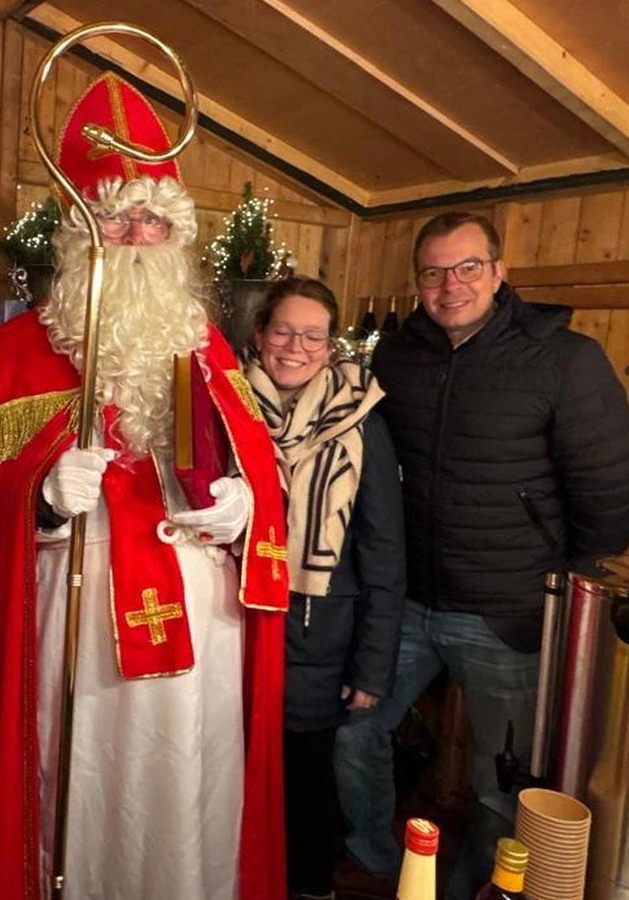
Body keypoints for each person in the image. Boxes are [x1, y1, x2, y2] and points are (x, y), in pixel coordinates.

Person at [0, 72, 290, 900]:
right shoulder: (19, 350)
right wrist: (40, 496)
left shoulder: (207, 341)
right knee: (88, 773)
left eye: (152, 217)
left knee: (196, 771)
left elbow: (260, 468)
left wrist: (248, 512)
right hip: (75, 606)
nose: (136, 233)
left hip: (204, 612)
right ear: (81, 230)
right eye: (115, 214)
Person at [335, 211, 629, 898]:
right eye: (434, 272)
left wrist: (568, 580)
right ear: (417, 282)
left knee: (502, 782)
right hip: (405, 605)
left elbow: (614, 489)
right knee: (355, 729)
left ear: (500, 272)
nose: (451, 285)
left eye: (468, 267)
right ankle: (377, 861)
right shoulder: (395, 357)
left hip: (510, 614)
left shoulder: (565, 360)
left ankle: (477, 890)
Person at [244, 277, 406, 900]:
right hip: (233, 624)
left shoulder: (360, 419)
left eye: (313, 335)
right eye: (284, 330)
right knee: (232, 773)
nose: (296, 346)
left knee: (304, 783)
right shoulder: (229, 406)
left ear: (330, 343)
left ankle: (310, 889)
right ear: (260, 336)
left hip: (318, 634)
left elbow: (384, 550)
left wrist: (372, 667)